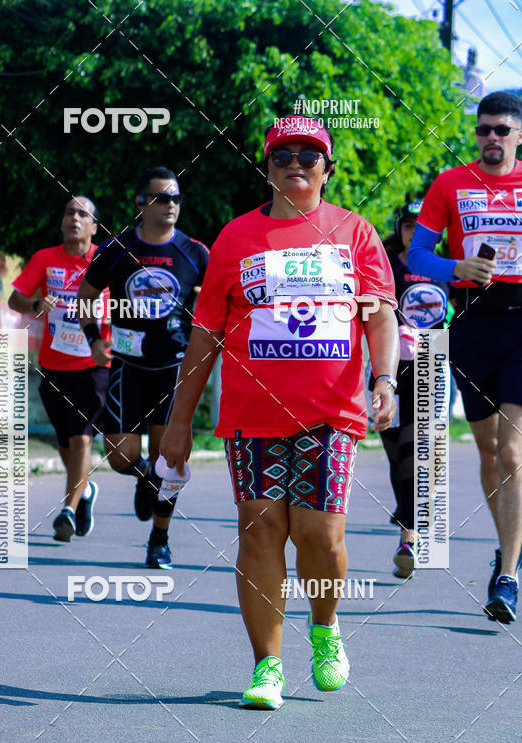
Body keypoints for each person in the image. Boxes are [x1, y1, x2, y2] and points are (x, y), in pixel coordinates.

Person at [159, 116, 399, 709]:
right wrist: (179, 421)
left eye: (310, 155)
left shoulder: (354, 232)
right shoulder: (236, 239)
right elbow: (205, 335)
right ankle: (268, 666)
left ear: (327, 169)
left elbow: (381, 314)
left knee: (319, 534)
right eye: (283, 155)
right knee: (260, 529)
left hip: (332, 411)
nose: (296, 163)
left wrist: (385, 377)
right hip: (252, 414)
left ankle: (324, 627)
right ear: (266, 167)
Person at [409, 91, 522, 624]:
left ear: (518, 135)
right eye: (484, 130)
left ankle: (507, 577)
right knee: (486, 452)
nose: (492, 138)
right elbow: (416, 256)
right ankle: (508, 543)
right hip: (474, 321)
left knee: (512, 454)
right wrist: (457, 268)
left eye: (502, 129)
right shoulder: (451, 183)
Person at [77, 167, 209, 569]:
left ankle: (159, 539)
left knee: (168, 459)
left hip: (174, 370)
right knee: (119, 456)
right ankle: (146, 480)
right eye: (162, 198)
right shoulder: (116, 249)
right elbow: (86, 296)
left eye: (176, 198)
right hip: (128, 368)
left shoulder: (196, 253)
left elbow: (219, 304)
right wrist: (94, 339)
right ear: (142, 203)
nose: (172, 205)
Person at [9, 196, 110, 542]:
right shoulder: (45, 259)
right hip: (53, 366)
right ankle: (85, 491)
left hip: (94, 363)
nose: (74, 218)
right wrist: (37, 303)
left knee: (82, 438)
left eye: (83, 214)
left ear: (94, 226)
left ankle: (67, 509)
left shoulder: (106, 258)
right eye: (69, 212)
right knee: (66, 445)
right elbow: (15, 299)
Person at [375, 200, 449, 577]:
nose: (415, 233)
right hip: (389, 368)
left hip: (430, 365)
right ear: (400, 230)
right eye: (408, 226)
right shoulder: (387, 266)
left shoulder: (448, 267)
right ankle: (411, 517)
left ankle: (409, 538)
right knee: (394, 457)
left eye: (423, 227)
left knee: (412, 455)